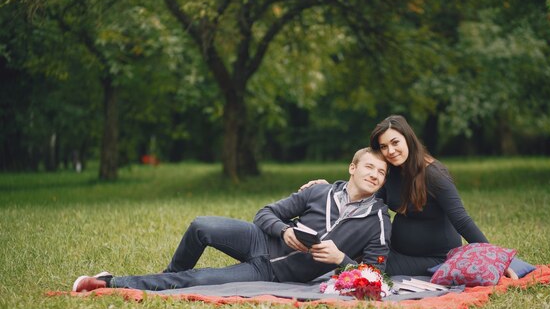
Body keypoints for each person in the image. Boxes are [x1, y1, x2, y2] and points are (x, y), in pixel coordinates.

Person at [72, 147, 392, 292]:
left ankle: (108, 281)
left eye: (381, 172)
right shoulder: (318, 191)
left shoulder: (378, 221)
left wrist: (341, 259)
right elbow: (265, 213)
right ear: (352, 168)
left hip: (271, 272)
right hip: (260, 238)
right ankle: (168, 278)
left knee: (198, 280)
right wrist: (283, 230)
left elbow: (378, 278)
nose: (374, 175)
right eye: (369, 167)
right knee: (201, 225)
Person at [302, 115, 517, 278]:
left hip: (434, 257)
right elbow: (366, 195)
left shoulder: (435, 175)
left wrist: (497, 260)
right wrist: (331, 188)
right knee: (353, 245)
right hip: (394, 248)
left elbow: (462, 220)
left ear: (408, 139)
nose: (391, 151)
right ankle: (302, 262)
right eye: (384, 146)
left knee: (371, 272)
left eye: (395, 142)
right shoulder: (391, 172)